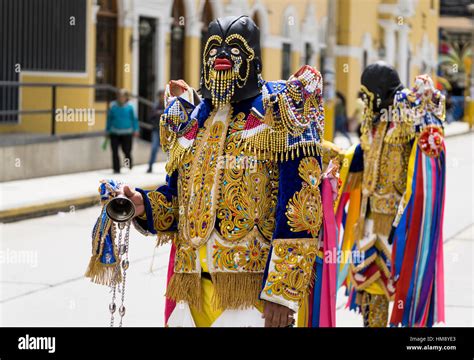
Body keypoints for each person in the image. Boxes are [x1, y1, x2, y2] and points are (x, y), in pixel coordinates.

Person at [101, 16, 340, 327]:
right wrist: (142, 205)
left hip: (252, 296)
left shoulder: (279, 111)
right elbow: (177, 203)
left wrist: (282, 293)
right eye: (214, 48)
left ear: (253, 57)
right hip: (191, 294)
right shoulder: (195, 119)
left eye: (235, 48)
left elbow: (300, 209)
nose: (222, 56)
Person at [336, 62, 447, 327]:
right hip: (369, 221)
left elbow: (430, 151)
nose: (363, 100)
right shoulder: (372, 121)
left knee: (400, 291)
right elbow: (360, 159)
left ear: (379, 92)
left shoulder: (408, 119)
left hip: (399, 224)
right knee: (369, 290)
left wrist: (423, 105)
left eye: (366, 93)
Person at [106, 89, 139, 174]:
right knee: (115, 151)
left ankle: (127, 165)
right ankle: (116, 169)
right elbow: (109, 119)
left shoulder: (130, 107)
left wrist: (136, 129)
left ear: (126, 97)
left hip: (127, 133)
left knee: (126, 151)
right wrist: (107, 130)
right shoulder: (113, 106)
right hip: (114, 132)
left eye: (123, 96)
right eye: (119, 96)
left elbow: (134, 119)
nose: (121, 98)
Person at [147, 91, 164, 173]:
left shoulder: (169, 105)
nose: (162, 97)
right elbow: (150, 117)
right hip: (156, 130)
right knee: (154, 148)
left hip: (167, 131)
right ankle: (150, 166)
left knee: (170, 151)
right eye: (161, 95)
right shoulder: (155, 106)